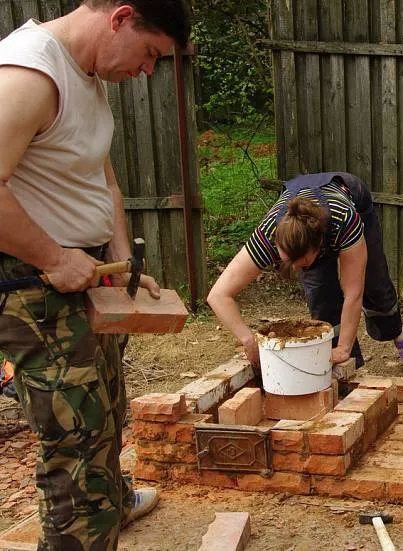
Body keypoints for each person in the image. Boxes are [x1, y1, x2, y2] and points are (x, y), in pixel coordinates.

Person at [0, 1, 190, 548]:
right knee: (75, 444)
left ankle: (109, 512)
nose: (148, 71)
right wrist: (56, 258)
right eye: (151, 53)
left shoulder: (86, 71)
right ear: (121, 17)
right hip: (32, 284)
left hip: (78, 274)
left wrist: (116, 259)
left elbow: (99, 177)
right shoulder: (32, 72)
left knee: (103, 415)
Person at [208, 172, 403, 370]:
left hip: (352, 196)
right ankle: (350, 370)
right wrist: (247, 338)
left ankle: (396, 332)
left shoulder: (344, 220)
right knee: (321, 297)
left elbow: (353, 292)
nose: (294, 268)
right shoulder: (269, 234)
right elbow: (218, 295)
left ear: (318, 246)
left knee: (374, 282)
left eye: (300, 263)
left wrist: (344, 348)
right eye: (288, 261)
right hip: (306, 221)